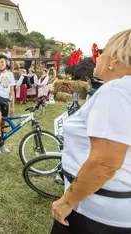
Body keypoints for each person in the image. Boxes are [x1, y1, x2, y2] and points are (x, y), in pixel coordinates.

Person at [50, 29, 131, 234]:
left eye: (102, 51)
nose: (97, 57)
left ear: (115, 58)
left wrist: (66, 202)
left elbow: (105, 163)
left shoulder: (117, 91)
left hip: (93, 212)